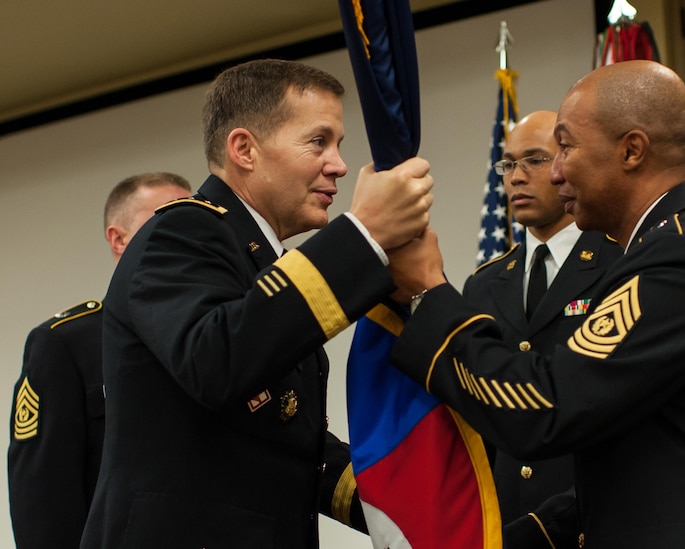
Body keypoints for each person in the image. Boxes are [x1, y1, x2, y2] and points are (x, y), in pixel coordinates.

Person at [388, 60, 685, 548]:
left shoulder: (678, 259)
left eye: (565, 146)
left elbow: (544, 407)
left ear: (631, 150)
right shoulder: (663, 249)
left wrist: (428, 291)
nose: (557, 171)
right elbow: (637, 459)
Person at [78, 59, 433, 549]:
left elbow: (286, 445)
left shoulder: (262, 259)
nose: (339, 164)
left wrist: (409, 507)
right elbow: (217, 359)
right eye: (318, 141)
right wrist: (362, 237)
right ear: (244, 149)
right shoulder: (181, 231)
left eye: (339, 145)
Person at [8, 172, 192, 548]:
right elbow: (42, 505)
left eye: (192, 223)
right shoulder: (66, 345)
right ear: (118, 240)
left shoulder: (214, 332)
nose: (185, 236)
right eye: (164, 220)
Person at [463, 110, 620, 547]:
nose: (516, 177)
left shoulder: (619, 262)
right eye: (508, 163)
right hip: (508, 526)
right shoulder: (483, 284)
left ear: (566, 164)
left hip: (594, 519)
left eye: (533, 159)